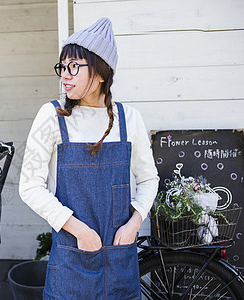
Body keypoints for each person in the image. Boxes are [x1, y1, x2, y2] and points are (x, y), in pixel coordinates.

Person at [19, 17, 159, 299]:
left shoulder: (128, 119)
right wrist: (79, 230)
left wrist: (134, 225)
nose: (64, 76)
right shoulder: (52, 116)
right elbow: (29, 187)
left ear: (101, 73)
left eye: (74, 67)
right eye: (63, 67)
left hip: (121, 262)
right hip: (72, 260)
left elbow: (148, 178)